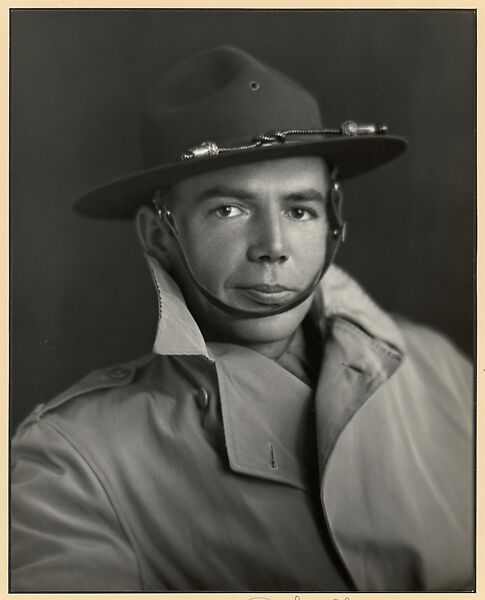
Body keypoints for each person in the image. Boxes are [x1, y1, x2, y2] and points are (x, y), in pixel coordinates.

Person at [11, 46, 473, 593]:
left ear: (332, 223)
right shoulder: (70, 460)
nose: (273, 248)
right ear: (159, 235)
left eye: (300, 210)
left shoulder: (439, 367)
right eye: (228, 210)